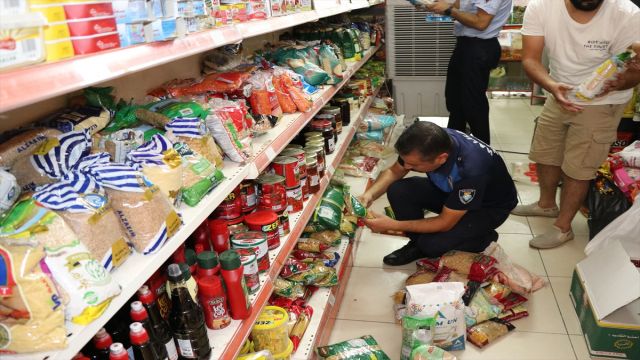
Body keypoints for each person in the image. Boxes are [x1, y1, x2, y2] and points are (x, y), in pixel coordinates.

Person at [512, 0, 640, 249]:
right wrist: (552, 86)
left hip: (603, 102)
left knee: (579, 166)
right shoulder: (541, 6)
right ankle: (546, 205)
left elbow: (635, 73)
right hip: (557, 91)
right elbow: (530, 59)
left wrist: (619, 81)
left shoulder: (627, 14)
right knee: (546, 153)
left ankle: (563, 228)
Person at [359, 121, 518, 266]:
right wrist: (369, 195)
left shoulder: (472, 169)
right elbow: (395, 171)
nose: (406, 166)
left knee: (432, 246)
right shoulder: (429, 140)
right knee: (398, 190)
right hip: (452, 191)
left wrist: (393, 225)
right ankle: (416, 245)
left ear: (441, 158)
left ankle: (482, 237)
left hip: (488, 206)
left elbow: (444, 222)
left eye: (413, 164)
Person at [424, 0, 513, 145]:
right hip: (465, 46)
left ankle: (482, 154)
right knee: (455, 102)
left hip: (478, 47)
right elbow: (462, 7)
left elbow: (480, 22)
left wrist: (449, 10)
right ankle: (453, 150)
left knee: (473, 105)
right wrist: (435, 5)